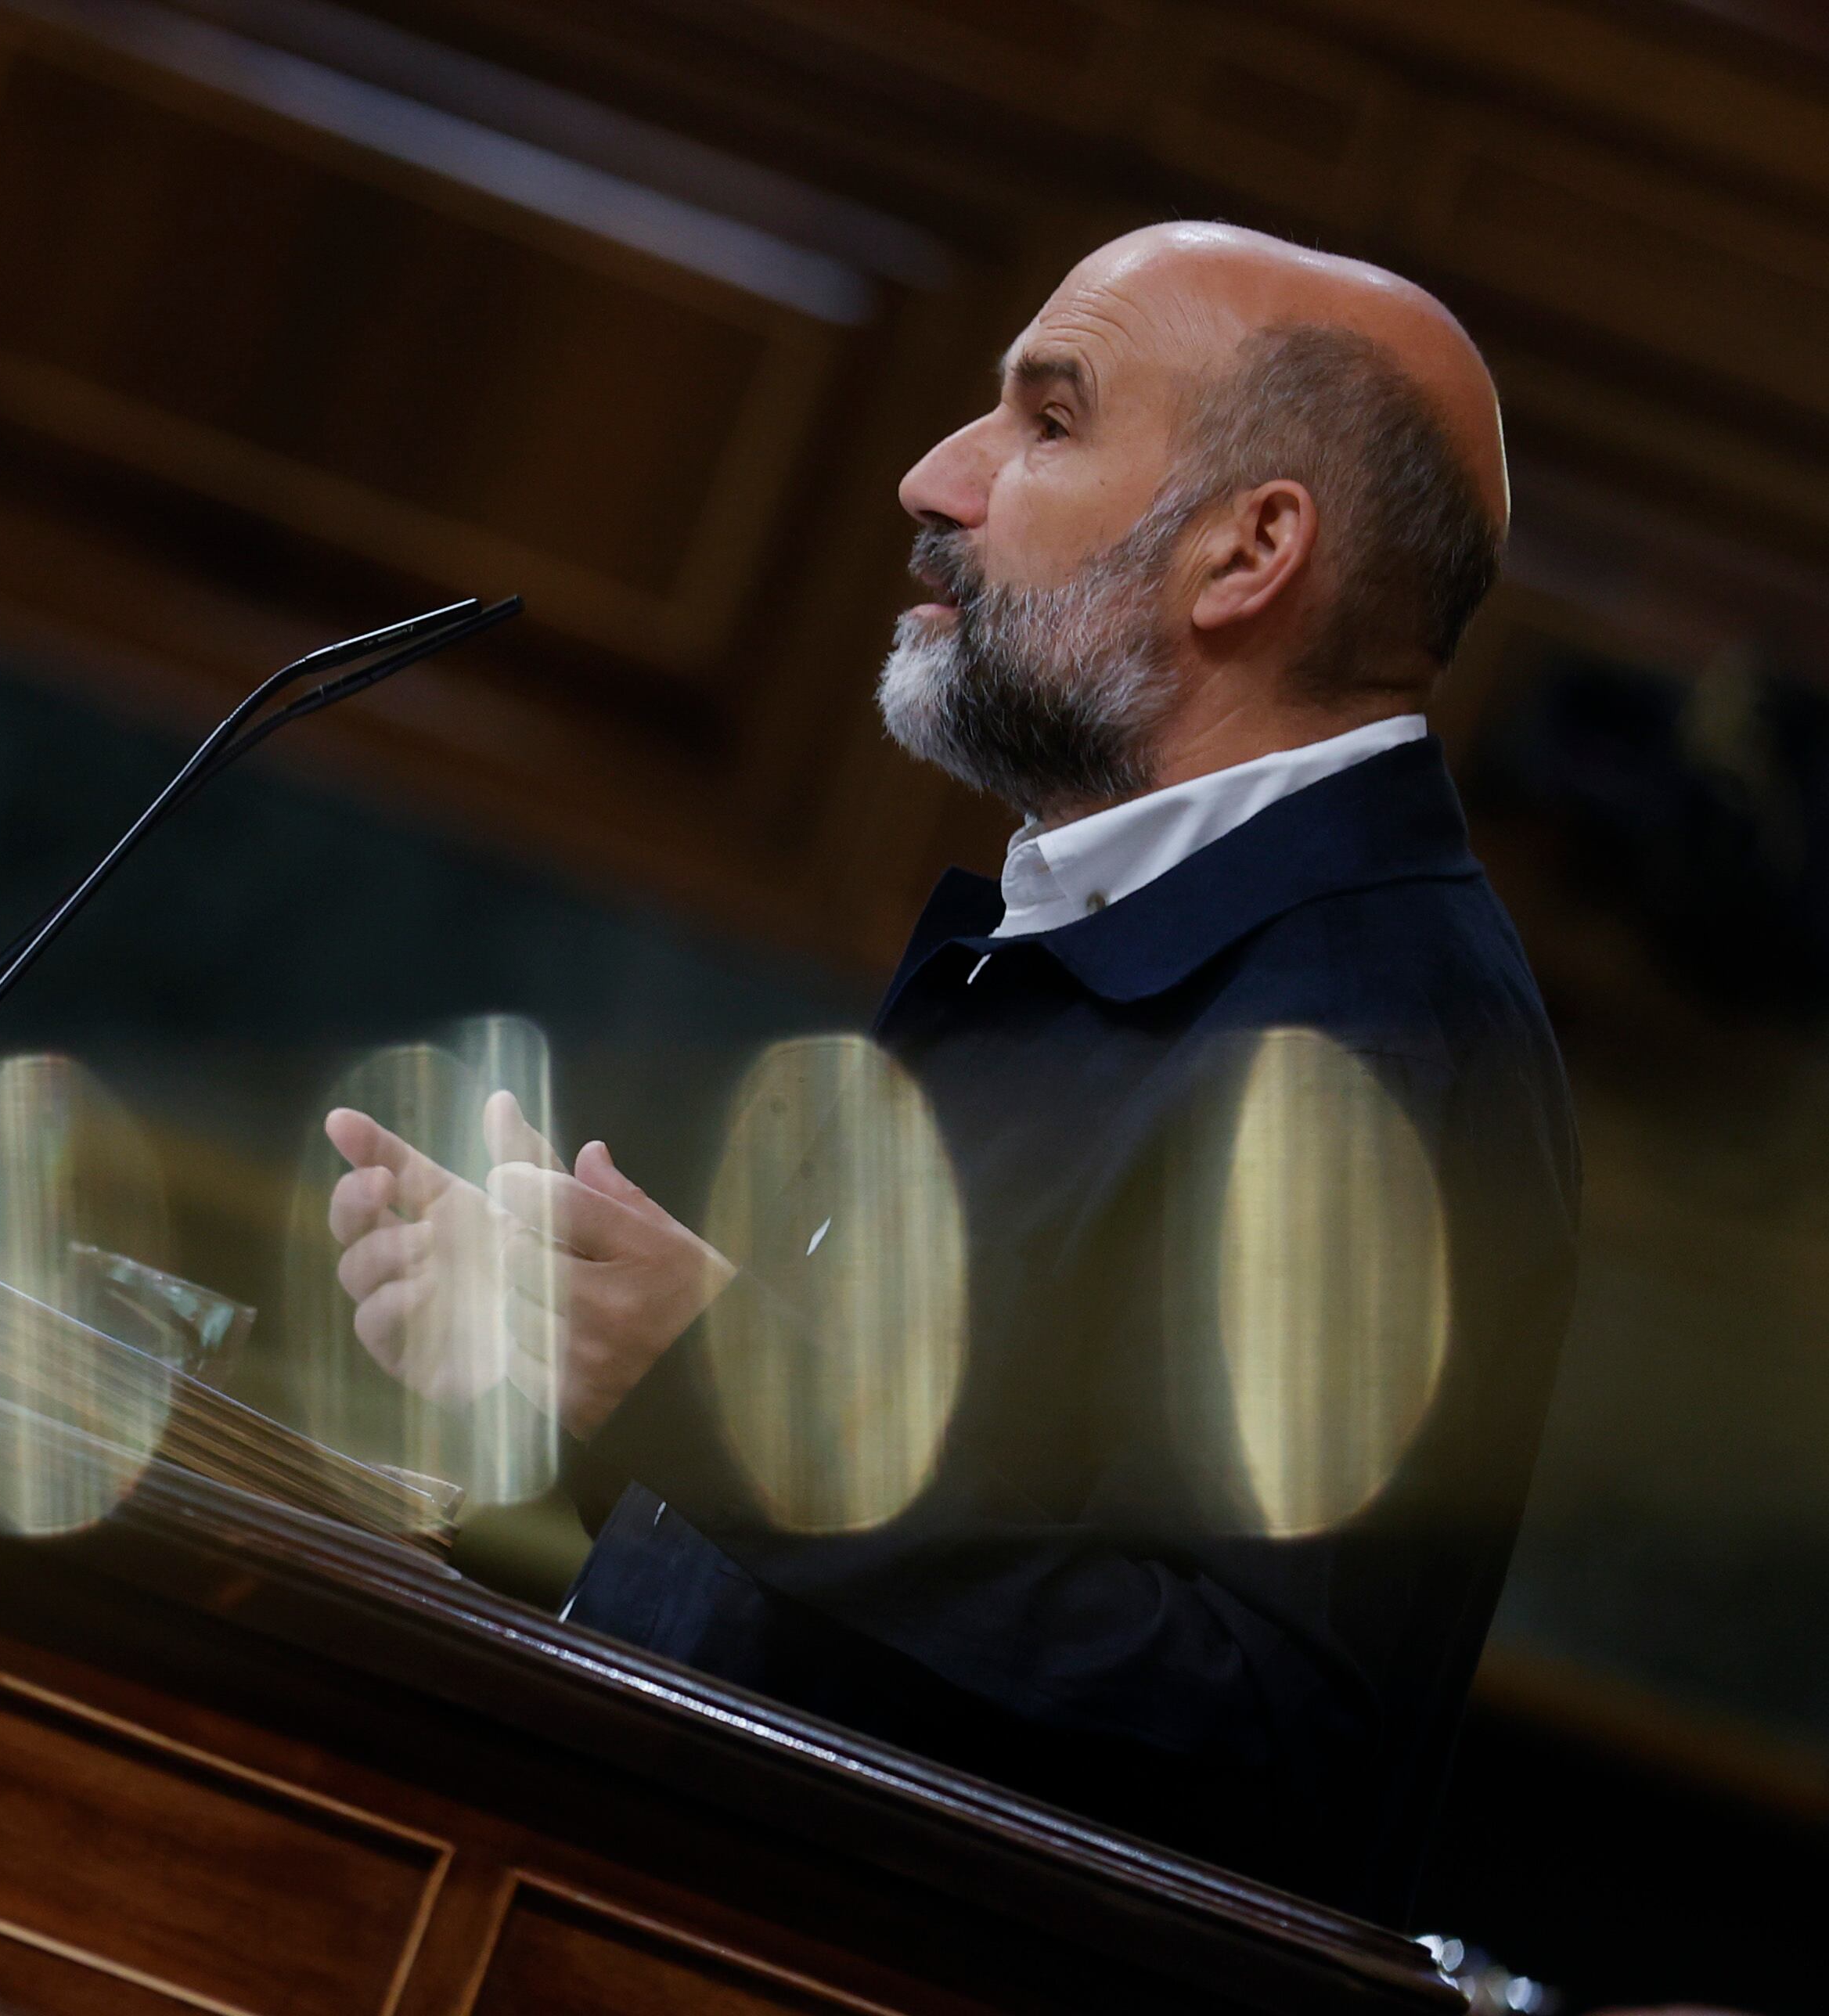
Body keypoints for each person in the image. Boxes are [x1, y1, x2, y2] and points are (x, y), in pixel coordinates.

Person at [322, 222, 1579, 1923]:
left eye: (1046, 420)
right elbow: (933, 1588)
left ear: (1247, 548)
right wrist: (594, 1379)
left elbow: (1254, 1727)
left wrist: (720, 1396)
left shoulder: (1374, 1035)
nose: (934, 475)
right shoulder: (1107, 922)